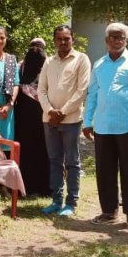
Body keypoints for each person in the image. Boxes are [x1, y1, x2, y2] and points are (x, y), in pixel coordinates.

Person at [83, 22, 128, 230]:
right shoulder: (100, 64)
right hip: (103, 125)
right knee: (105, 171)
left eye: (120, 37)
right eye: (112, 37)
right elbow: (93, 93)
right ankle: (109, 211)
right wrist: (87, 121)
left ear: (126, 39)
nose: (116, 40)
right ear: (106, 40)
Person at [38, 25, 91, 216]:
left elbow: (82, 90)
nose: (63, 42)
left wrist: (62, 112)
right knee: (54, 160)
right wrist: (51, 111)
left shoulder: (81, 59)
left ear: (72, 39)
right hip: (49, 119)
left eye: (66, 38)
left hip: (72, 120)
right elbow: (41, 89)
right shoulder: (49, 61)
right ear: (54, 41)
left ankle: (71, 202)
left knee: (72, 161)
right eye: (59, 39)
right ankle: (56, 200)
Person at [14, 37, 51, 196]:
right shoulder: (48, 65)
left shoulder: (20, 66)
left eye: (38, 48)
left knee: (29, 150)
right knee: (42, 150)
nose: (36, 51)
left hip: (25, 117)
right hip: (42, 114)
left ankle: (26, 187)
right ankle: (43, 187)